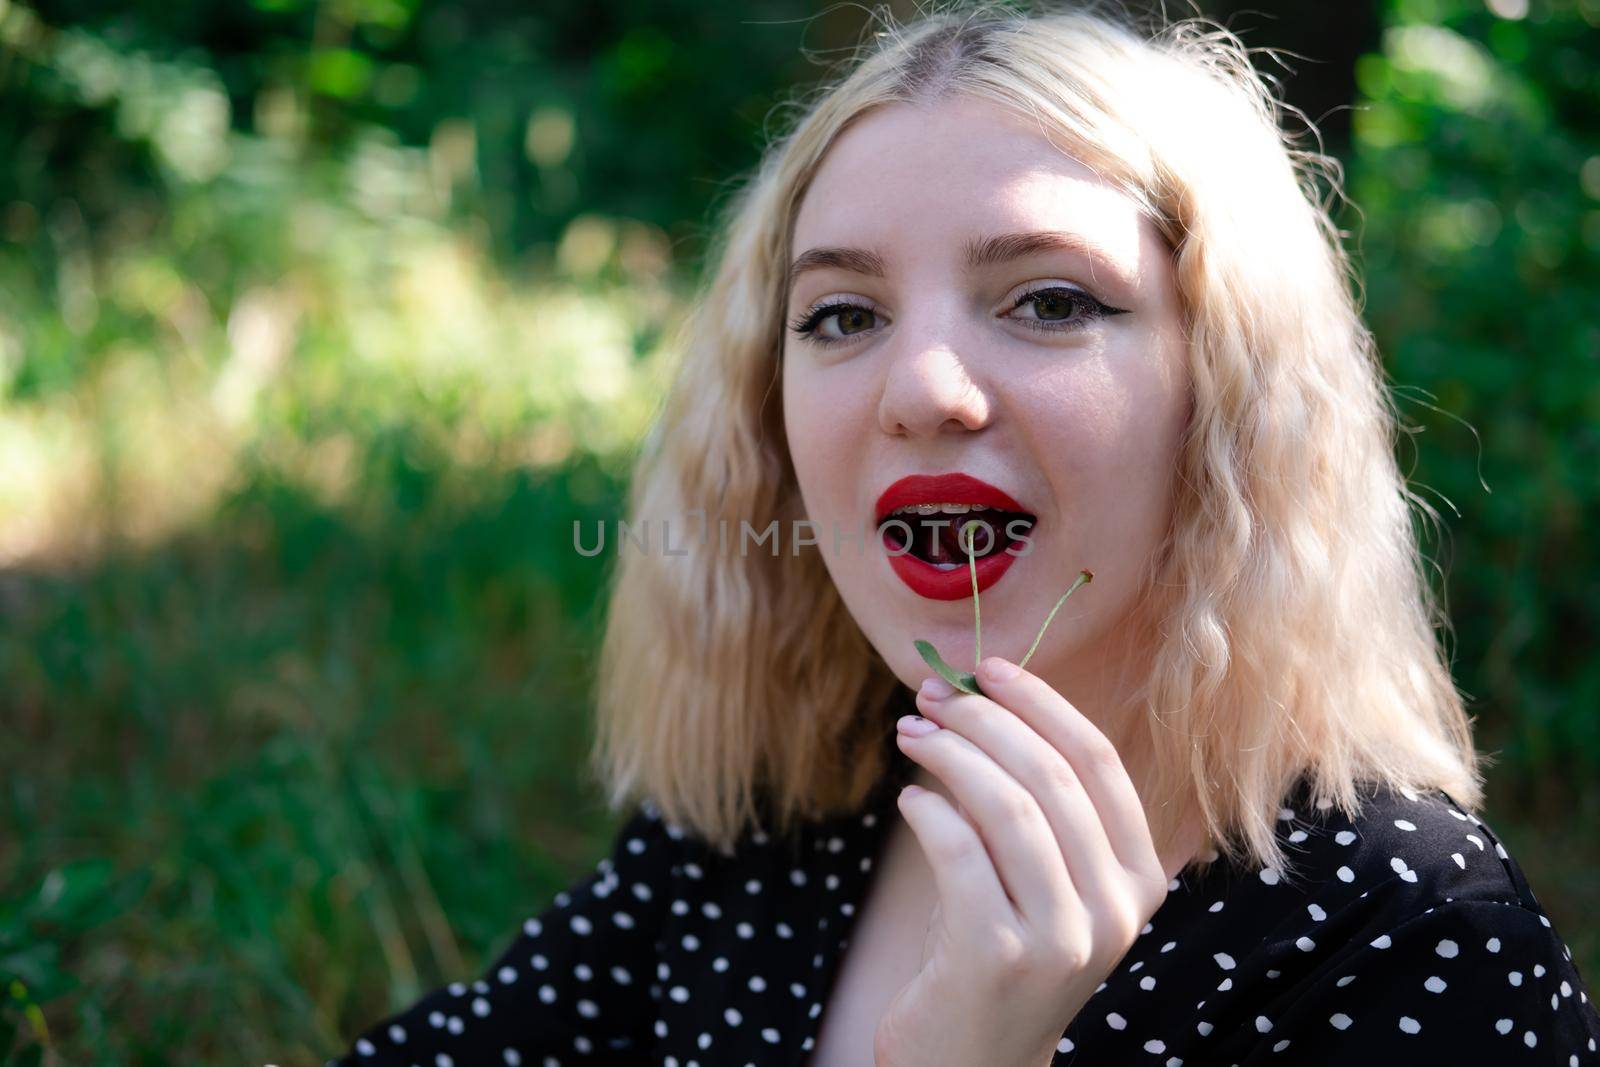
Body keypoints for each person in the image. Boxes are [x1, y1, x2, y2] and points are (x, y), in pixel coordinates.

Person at [329, 2, 1600, 1064]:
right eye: (839, 315)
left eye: (1048, 300)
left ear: (1229, 396)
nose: (922, 385)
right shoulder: (755, 836)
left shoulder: (1418, 937)